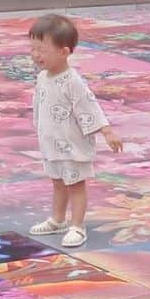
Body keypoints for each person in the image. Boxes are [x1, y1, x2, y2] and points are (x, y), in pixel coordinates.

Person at [27, 14, 122, 248]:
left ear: (64, 52)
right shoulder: (42, 77)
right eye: (33, 49)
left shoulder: (73, 81)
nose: (36, 55)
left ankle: (77, 226)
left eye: (42, 50)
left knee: (75, 184)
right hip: (52, 143)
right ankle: (57, 219)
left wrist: (107, 131)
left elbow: (89, 106)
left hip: (72, 145)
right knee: (58, 182)